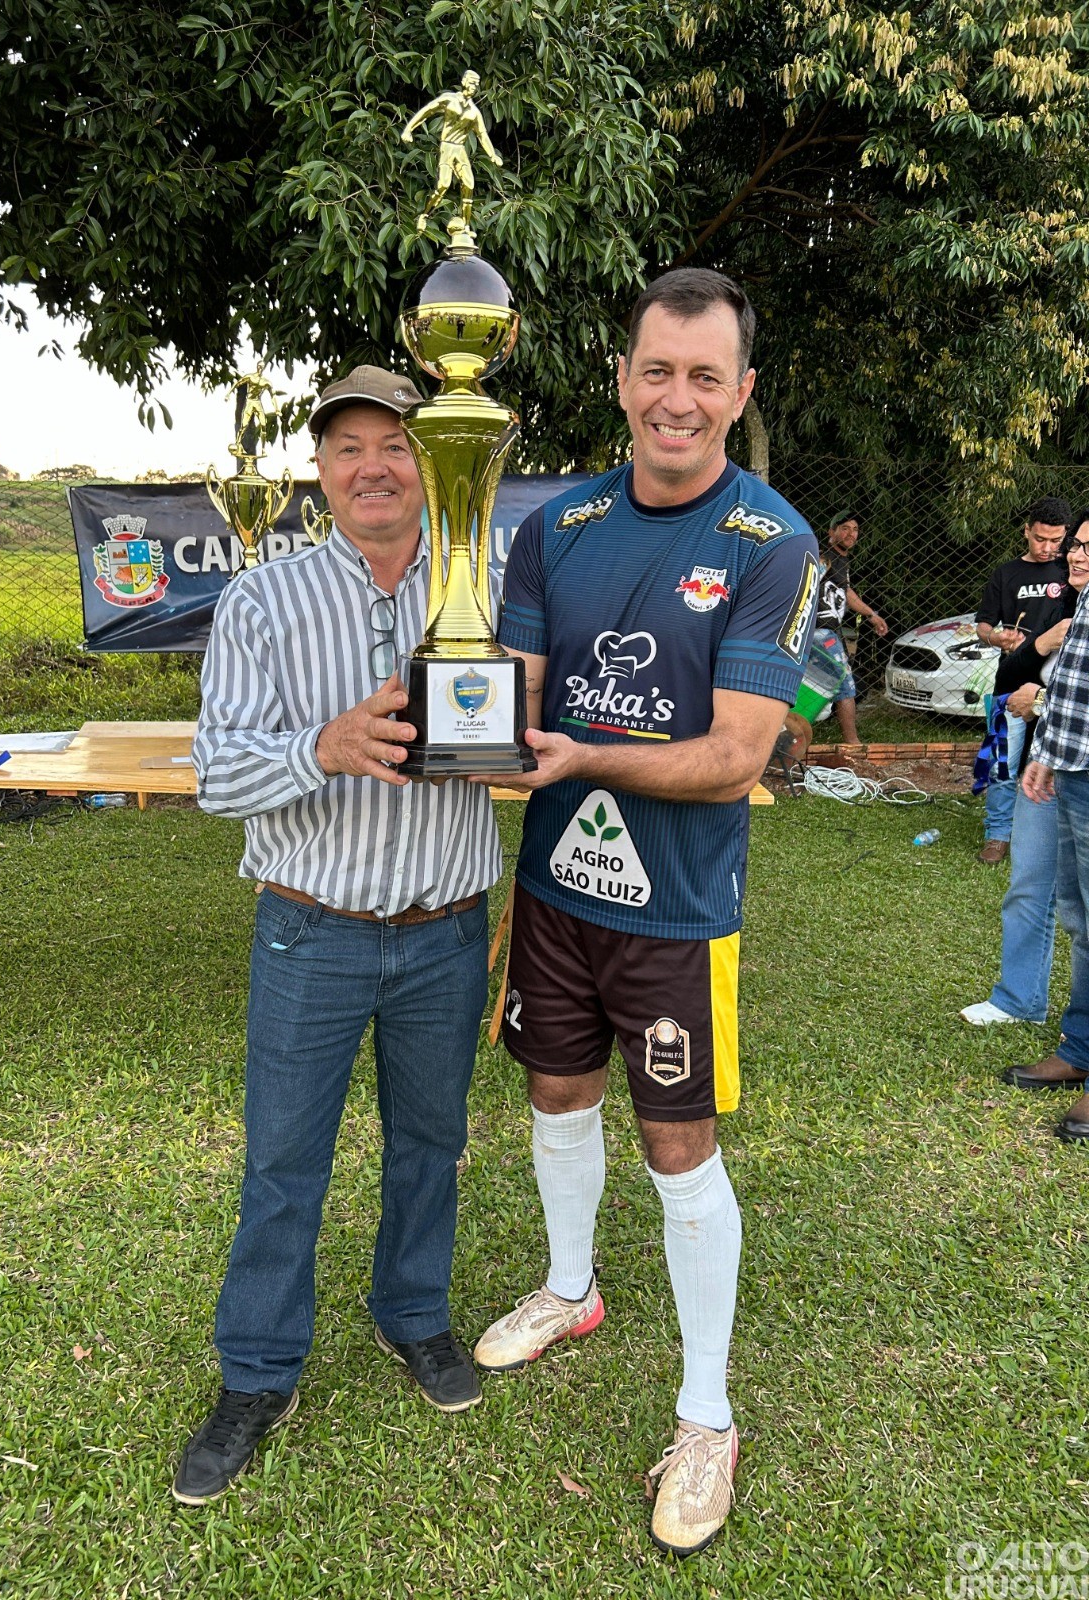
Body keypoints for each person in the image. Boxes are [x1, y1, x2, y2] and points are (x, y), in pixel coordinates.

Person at [473, 268, 819, 1556]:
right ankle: (572, 1289)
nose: (678, 399)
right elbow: (511, 705)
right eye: (656, 371)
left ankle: (709, 1413)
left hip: (678, 913)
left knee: (682, 1149)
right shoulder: (554, 528)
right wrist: (484, 738)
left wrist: (576, 757)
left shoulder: (769, 541)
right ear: (623, 378)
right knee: (553, 1098)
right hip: (557, 895)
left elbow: (735, 757)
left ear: (740, 392)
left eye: (705, 376)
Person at [176, 366, 499, 1505]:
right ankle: (257, 1372)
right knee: (282, 1163)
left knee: (431, 1141)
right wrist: (321, 745)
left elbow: (521, 734)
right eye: (349, 445)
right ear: (320, 471)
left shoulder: (486, 591)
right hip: (309, 930)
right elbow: (217, 773)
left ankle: (413, 1314)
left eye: (397, 445)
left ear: (434, 465)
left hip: (449, 931)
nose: (374, 465)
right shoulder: (262, 601)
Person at [961, 514, 1089, 1025]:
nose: (1073, 554)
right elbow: (1008, 681)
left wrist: (1041, 698)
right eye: (1072, 545)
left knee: (1081, 911)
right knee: (1029, 884)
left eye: (1079, 545)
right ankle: (1019, 999)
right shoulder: (1058, 603)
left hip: (1072, 762)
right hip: (1045, 760)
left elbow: (1040, 696)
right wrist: (1042, 643)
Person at [1015, 524, 1089, 1143]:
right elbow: (1069, 692)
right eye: (1078, 545)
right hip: (1071, 770)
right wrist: (1044, 751)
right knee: (1080, 920)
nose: (1077, 555)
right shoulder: (1083, 602)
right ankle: (1081, 1050)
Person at [972, 496, 1070, 864]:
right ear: (1026, 531)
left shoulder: (1073, 571)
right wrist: (995, 638)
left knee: (1054, 763)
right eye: (1040, 539)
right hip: (1012, 682)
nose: (1047, 548)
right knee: (1003, 762)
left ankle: (1048, 839)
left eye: (1056, 541)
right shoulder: (1006, 574)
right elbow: (984, 623)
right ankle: (998, 835)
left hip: (1058, 685)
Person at [813, 511, 888, 744]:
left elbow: (847, 593)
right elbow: (806, 582)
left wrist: (871, 614)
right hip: (820, 631)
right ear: (831, 533)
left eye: (854, 529)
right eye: (844, 528)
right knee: (845, 685)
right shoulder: (824, 558)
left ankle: (802, 728)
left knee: (833, 684)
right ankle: (852, 743)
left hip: (830, 631)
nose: (850, 533)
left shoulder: (841, 560)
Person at [401, 69, 504, 235]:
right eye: (471, 83)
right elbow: (426, 111)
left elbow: (482, 135)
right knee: (443, 185)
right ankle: (424, 215)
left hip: (460, 149)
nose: (474, 88)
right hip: (447, 147)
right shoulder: (449, 100)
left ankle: (466, 226)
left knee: (469, 185)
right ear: (463, 82)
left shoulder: (474, 112)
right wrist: (408, 129)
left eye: (476, 86)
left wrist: (492, 155)